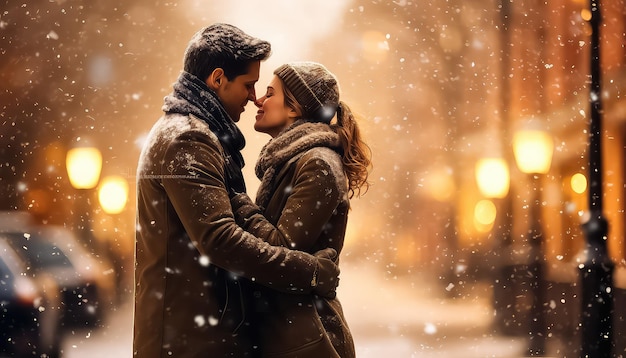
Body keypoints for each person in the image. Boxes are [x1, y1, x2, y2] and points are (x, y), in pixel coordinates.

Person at [133, 25, 340, 358]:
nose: (252, 96)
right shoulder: (188, 137)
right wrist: (313, 272)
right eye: (248, 85)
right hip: (192, 340)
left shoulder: (191, 132)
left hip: (196, 334)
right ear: (217, 79)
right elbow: (220, 239)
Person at [230, 61, 372, 358]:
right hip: (290, 334)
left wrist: (238, 202)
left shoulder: (318, 164)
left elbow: (282, 248)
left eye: (269, 94)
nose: (258, 100)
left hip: (309, 339)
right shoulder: (292, 162)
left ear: (294, 108)